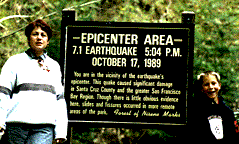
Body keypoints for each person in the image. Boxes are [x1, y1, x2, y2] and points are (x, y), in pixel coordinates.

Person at [0, 19, 68, 143]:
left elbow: (60, 100)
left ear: (47, 41)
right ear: (28, 39)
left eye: (43, 35)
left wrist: (61, 131)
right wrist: (0, 122)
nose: (39, 38)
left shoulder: (54, 66)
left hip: (44, 127)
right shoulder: (14, 62)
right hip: (16, 125)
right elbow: (3, 94)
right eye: (35, 34)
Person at [191, 71, 238, 142]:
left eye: (213, 83)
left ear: (219, 85)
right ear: (201, 88)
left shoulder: (227, 112)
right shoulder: (196, 111)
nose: (211, 87)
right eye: (206, 84)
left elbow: (233, 135)